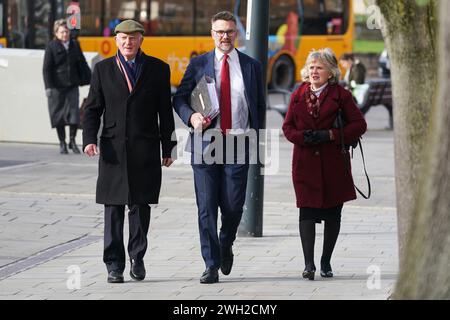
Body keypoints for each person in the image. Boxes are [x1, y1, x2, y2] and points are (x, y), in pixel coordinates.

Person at [173, 11, 265, 284]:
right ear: (212, 34)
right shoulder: (199, 63)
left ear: (236, 34)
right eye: (220, 32)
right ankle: (211, 264)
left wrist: (257, 141)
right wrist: (191, 116)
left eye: (229, 32)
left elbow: (258, 105)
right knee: (206, 207)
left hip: (238, 141)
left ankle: (226, 242)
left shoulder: (251, 66)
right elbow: (179, 98)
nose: (225, 36)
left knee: (234, 206)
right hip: (205, 142)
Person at [82, 20, 176, 283]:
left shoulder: (158, 69)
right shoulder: (102, 70)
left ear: (141, 40)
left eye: (133, 38)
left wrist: (168, 147)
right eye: (123, 38)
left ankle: (137, 257)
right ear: (116, 40)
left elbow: (165, 113)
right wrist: (89, 138)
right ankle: (114, 264)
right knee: (113, 207)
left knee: (140, 205)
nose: (128, 42)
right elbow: (92, 108)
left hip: (145, 147)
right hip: (113, 148)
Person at [282, 48, 367, 280]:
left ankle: (325, 261)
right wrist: (303, 137)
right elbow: (287, 128)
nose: (314, 71)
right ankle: (308, 265)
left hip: (333, 165)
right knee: (306, 212)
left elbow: (359, 125)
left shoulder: (341, 95)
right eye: (311, 67)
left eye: (319, 67)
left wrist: (330, 135)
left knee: (332, 215)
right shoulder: (298, 94)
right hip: (305, 164)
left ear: (330, 72)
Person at [43, 19, 88, 154]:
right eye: (62, 32)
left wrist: (89, 78)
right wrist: (48, 87)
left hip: (72, 85)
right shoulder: (51, 46)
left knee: (74, 115)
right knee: (58, 116)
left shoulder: (75, 44)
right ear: (56, 33)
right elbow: (46, 68)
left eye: (66, 31)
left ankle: (72, 141)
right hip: (57, 87)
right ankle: (62, 142)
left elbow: (82, 62)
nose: (65, 34)